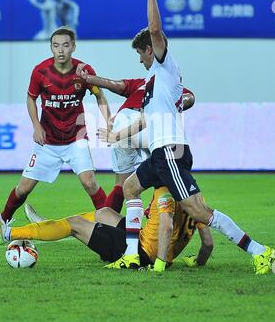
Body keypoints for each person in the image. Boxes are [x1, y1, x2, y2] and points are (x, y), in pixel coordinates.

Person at [110, 0, 275, 275]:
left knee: (199, 211)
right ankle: (132, 255)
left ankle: (260, 252)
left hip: (171, 152)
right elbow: (160, 112)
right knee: (130, 188)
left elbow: (155, 29)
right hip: (161, 154)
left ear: (150, 49)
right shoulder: (153, 82)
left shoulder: (164, 66)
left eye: (140, 53)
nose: (141, 59)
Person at [0, 27, 110, 229]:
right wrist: (36, 126)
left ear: (73, 46)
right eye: (56, 46)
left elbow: (99, 95)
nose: (60, 50)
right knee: (23, 188)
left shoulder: (84, 71)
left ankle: (111, 225)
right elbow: (31, 98)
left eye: (65, 45)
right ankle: (3, 220)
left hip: (76, 137)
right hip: (47, 141)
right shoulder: (40, 71)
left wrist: (110, 122)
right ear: (51, 48)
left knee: (89, 182)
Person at [0, 186, 214, 271]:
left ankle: (9, 233)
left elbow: (166, 225)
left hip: (141, 253)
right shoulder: (197, 197)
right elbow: (208, 244)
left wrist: (160, 265)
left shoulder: (164, 192)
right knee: (104, 213)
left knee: (75, 224)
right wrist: (197, 262)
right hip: (146, 240)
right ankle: (45, 224)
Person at [77, 67, 195, 213]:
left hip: (122, 121)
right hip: (145, 124)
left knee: (120, 183)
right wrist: (176, 104)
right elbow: (189, 98)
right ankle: (154, 208)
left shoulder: (142, 83)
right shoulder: (174, 89)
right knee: (168, 165)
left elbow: (114, 84)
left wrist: (89, 78)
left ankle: (107, 223)